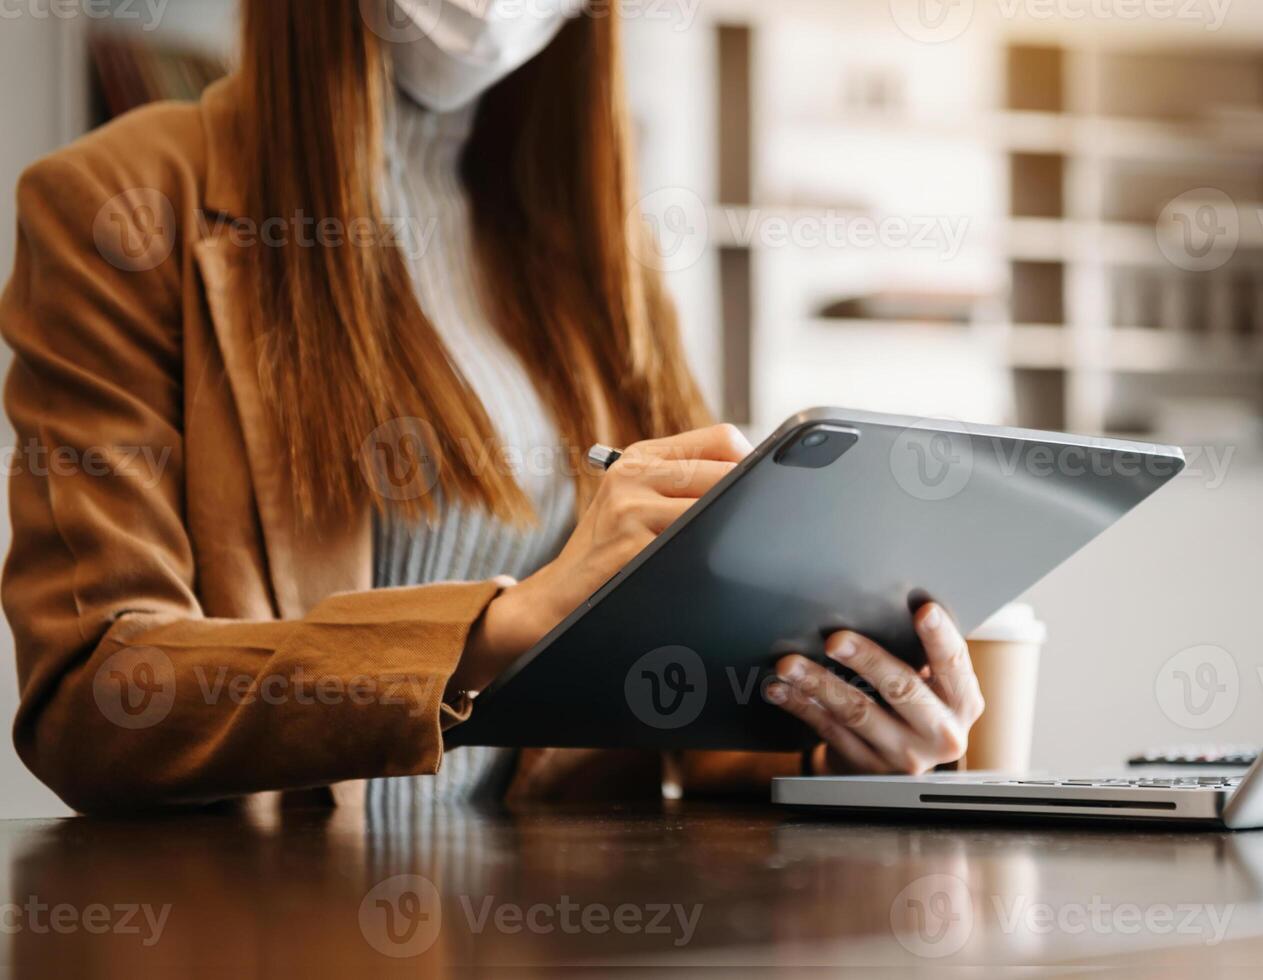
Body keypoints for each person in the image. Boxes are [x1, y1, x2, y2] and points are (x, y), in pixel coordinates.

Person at [0, 0, 983, 814]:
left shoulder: (603, 249)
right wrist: (499, 624)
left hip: (564, 937)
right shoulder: (121, 205)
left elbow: (674, 699)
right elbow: (94, 695)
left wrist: (833, 741)